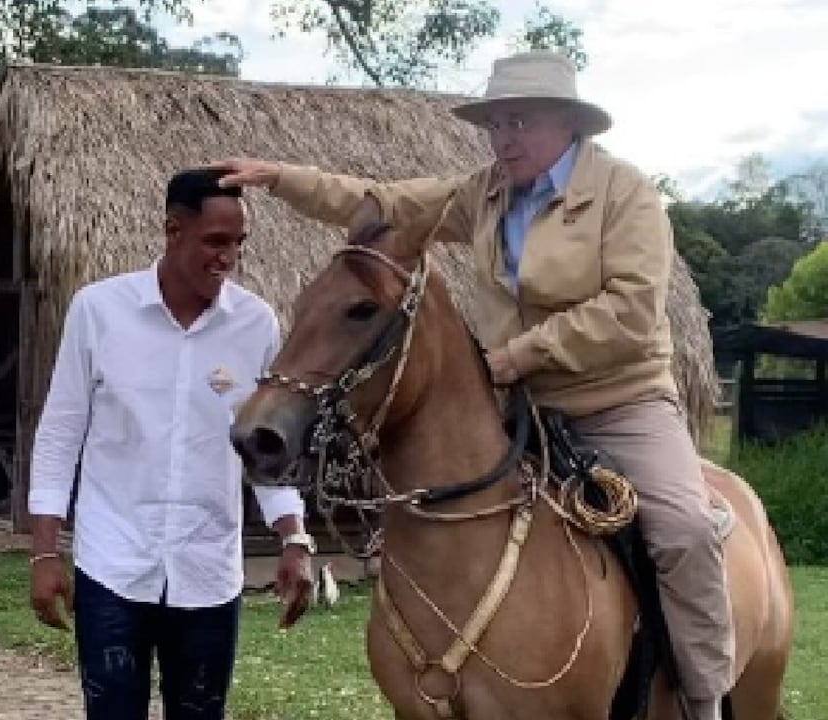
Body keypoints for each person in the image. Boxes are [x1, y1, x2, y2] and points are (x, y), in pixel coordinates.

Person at [212, 50, 733, 720]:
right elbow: (381, 202)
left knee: (685, 530)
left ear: (567, 125)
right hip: (519, 408)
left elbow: (630, 310)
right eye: (494, 124)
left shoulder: (626, 195)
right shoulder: (482, 193)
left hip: (618, 401)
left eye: (519, 121)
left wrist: (518, 355)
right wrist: (282, 178)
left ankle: (706, 695)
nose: (502, 137)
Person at [27, 166, 316, 720]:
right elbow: (61, 433)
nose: (227, 257)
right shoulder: (98, 311)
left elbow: (267, 450)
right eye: (214, 240)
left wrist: (295, 538)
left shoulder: (255, 324)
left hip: (207, 570)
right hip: (111, 563)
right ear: (173, 228)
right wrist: (45, 552)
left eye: (237, 243)